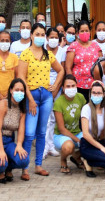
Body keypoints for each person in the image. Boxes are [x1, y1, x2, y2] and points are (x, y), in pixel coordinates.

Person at [18, 23, 65, 178]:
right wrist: (30, 99)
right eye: (37, 34)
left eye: (42, 34)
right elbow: (21, 78)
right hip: (31, 95)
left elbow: (61, 70)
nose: (39, 37)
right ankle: (24, 168)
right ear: (31, 35)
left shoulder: (48, 54)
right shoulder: (25, 54)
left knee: (42, 132)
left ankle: (38, 165)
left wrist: (55, 85)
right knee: (30, 133)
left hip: (45, 96)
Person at [0, 79, 30, 183]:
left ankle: (8, 168)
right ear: (11, 90)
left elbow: (21, 130)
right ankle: (0, 171)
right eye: (17, 90)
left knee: (24, 160)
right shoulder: (3, 104)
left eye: (22, 90)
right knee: (0, 163)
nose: (19, 92)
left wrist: (19, 145)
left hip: (9, 141)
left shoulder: (22, 109)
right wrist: (0, 150)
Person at [53, 75, 87, 174]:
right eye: (68, 86)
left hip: (77, 132)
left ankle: (76, 156)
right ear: (63, 88)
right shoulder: (59, 102)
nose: (71, 88)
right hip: (61, 135)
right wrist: (78, 140)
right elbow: (61, 128)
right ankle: (63, 160)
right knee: (69, 146)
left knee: (92, 140)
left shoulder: (80, 97)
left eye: (73, 86)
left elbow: (85, 115)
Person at [65, 20, 102, 101]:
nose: (84, 33)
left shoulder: (95, 45)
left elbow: (101, 66)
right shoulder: (73, 46)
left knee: (93, 110)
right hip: (78, 86)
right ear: (77, 33)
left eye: (86, 31)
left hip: (94, 86)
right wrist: (71, 85)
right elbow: (68, 68)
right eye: (82, 31)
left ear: (90, 31)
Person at [43, 27, 64, 159]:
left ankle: (50, 146)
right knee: (45, 118)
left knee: (52, 119)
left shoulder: (62, 51)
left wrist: (56, 90)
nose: (53, 39)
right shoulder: (42, 50)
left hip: (57, 86)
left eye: (56, 37)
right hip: (43, 86)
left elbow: (62, 71)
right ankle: (43, 147)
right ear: (47, 38)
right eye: (51, 37)